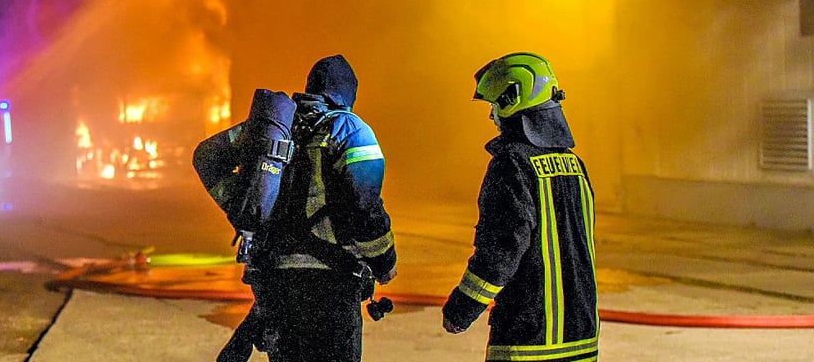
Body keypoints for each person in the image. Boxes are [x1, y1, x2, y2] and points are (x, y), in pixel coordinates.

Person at [196, 54, 397, 362]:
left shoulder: (275, 127)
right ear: (347, 95)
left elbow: (208, 157)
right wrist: (384, 262)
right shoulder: (350, 129)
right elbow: (365, 206)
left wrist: (240, 208)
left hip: (275, 285)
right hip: (330, 287)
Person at [442, 52, 598, 362]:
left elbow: (501, 249)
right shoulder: (576, 166)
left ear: (513, 98)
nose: (492, 116)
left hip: (528, 343)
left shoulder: (512, 164)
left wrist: (461, 308)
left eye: (494, 105)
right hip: (582, 340)